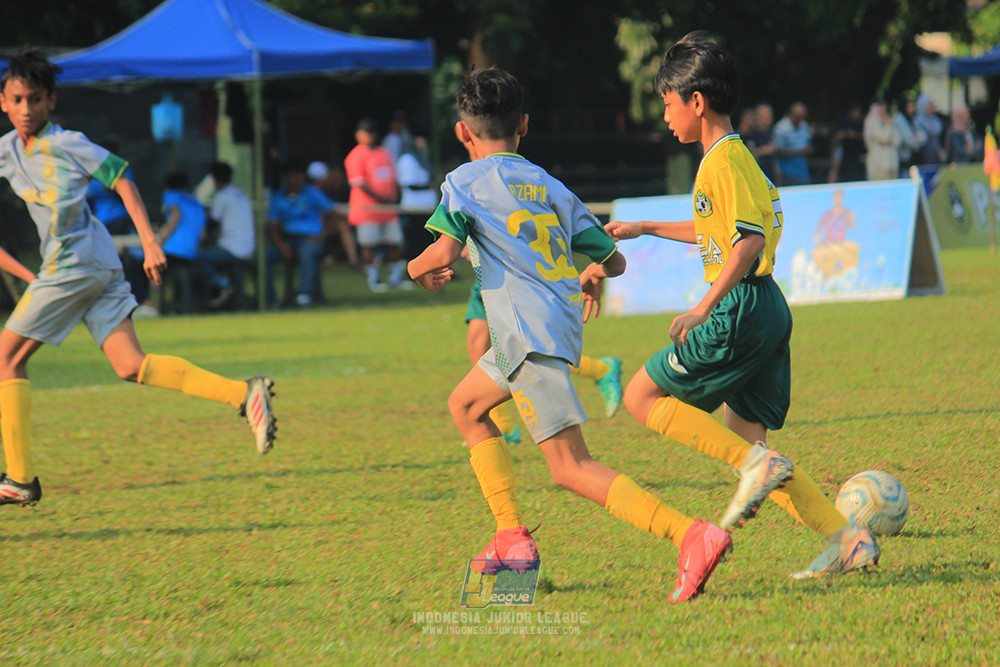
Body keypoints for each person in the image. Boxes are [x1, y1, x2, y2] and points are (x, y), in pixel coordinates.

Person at [407, 65, 731, 602]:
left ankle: (690, 535)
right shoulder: (551, 185)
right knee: (466, 406)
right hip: (545, 327)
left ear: (464, 133)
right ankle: (511, 537)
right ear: (524, 126)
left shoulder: (463, 182)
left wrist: (418, 269)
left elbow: (440, 254)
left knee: (570, 468)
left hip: (526, 334)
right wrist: (592, 275)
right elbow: (615, 259)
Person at [605, 32, 880, 581]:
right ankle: (849, 540)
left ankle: (756, 467)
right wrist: (647, 228)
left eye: (667, 103)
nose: (665, 116)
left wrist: (704, 306)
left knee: (639, 395)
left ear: (696, 101)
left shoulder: (720, 165)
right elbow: (724, 230)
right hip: (767, 308)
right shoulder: (736, 158)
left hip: (738, 307)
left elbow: (747, 242)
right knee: (748, 441)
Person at [0, 48, 276, 506]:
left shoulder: (69, 143)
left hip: (77, 263)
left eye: (35, 99)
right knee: (131, 365)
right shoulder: (8, 151)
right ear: (3, 102)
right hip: (88, 265)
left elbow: (122, 178)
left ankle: (20, 480)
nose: (26, 109)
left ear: (51, 100)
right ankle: (244, 394)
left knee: (6, 360)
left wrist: (150, 241)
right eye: (17, 100)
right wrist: (30, 273)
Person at [463, 269, 624, 445]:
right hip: (485, 273)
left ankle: (599, 369)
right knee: (477, 343)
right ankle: (503, 425)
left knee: (526, 350)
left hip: (509, 270)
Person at [344, 118, 411, 291]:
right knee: (369, 244)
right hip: (367, 209)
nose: (370, 136)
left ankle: (395, 278)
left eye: (372, 132)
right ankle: (373, 279)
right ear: (358, 135)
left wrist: (394, 195)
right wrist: (381, 198)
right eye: (366, 133)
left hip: (388, 209)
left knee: (394, 242)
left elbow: (392, 177)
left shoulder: (383, 152)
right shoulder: (355, 155)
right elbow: (359, 183)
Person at [266, 161, 335, 307]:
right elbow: (272, 227)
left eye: (300, 176)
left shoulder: (312, 193)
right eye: (294, 177)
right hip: (287, 240)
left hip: (312, 239)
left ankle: (304, 296)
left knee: (307, 251)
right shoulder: (278, 197)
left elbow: (334, 214)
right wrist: (283, 247)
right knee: (262, 257)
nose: (298, 180)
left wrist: (323, 234)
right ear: (286, 178)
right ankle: (270, 299)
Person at [196, 161, 255, 309]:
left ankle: (224, 285)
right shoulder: (240, 193)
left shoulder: (222, 196)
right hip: (248, 247)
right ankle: (226, 294)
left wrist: (204, 235)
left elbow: (213, 223)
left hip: (233, 247)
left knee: (198, 258)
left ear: (215, 179)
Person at [307, 160, 360, 270]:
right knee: (342, 224)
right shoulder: (314, 192)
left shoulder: (321, 191)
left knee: (342, 225)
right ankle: (352, 260)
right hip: (311, 231)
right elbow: (332, 213)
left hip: (318, 228)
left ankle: (351, 260)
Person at [396, 136, 439, 258]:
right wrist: (429, 186)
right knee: (416, 241)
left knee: (428, 240)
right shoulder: (407, 159)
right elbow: (408, 184)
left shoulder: (420, 158)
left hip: (426, 206)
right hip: (414, 206)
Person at [86, 140, 134, 236]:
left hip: (120, 218)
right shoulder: (94, 174)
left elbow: (128, 192)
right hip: (102, 221)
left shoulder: (123, 172)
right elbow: (89, 192)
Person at [773, 102, 812, 186]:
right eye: (799, 118)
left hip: (803, 170)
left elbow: (808, 144)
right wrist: (800, 151)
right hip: (787, 172)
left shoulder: (804, 125)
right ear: (793, 115)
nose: (801, 120)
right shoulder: (781, 128)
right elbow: (779, 151)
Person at [827, 103, 866, 183]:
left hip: (856, 157)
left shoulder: (861, 124)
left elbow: (867, 138)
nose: (858, 113)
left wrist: (854, 135)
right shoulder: (842, 122)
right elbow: (833, 142)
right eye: (856, 111)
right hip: (843, 157)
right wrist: (841, 136)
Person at [863, 100, 901, 181]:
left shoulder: (887, 120)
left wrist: (888, 125)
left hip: (892, 163)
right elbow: (884, 138)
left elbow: (898, 140)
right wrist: (888, 126)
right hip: (879, 165)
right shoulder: (872, 120)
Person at [892, 95, 926, 176]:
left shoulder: (913, 119)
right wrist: (916, 138)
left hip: (915, 159)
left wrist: (916, 138)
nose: (912, 109)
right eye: (910, 106)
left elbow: (924, 136)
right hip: (905, 160)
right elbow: (909, 140)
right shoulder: (899, 119)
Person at [748, 102, 781, 185]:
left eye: (770, 114)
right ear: (758, 116)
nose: (769, 116)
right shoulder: (751, 134)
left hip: (772, 177)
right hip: (757, 179)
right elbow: (750, 154)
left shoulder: (772, 132)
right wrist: (766, 150)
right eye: (765, 114)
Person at [914, 94, 944, 165]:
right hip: (923, 157)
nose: (932, 107)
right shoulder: (917, 122)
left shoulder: (936, 121)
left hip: (936, 157)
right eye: (929, 105)